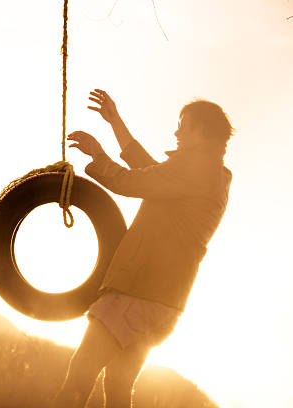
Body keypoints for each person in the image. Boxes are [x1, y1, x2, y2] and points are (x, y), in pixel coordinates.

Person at [53, 89, 233, 408]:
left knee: (81, 373)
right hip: (164, 303)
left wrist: (99, 157)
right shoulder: (212, 174)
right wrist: (115, 121)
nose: (176, 131)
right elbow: (151, 173)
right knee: (120, 387)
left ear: (203, 132)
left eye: (183, 125)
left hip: (137, 293)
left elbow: (132, 182)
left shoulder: (195, 168)